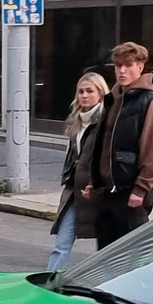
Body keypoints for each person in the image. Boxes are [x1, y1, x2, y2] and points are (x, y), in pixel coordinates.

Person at [84, 41, 153, 248]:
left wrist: (141, 189)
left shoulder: (150, 102)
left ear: (140, 67)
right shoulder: (112, 99)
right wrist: (95, 181)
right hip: (107, 194)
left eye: (128, 66)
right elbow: (103, 145)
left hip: (130, 194)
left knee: (131, 257)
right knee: (104, 256)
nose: (122, 71)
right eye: (118, 66)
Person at [48, 67, 113, 271]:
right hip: (74, 192)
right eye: (81, 91)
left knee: (105, 247)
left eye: (90, 91)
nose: (84, 95)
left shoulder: (106, 120)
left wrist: (99, 184)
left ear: (101, 93)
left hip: (97, 192)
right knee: (61, 244)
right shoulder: (77, 121)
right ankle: (50, 280)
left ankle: (105, 285)